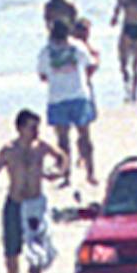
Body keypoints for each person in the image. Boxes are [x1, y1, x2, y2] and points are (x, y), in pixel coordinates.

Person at [0, 107, 66, 273]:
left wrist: (57, 172)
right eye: (32, 127)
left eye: (37, 127)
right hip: (15, 202)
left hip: (35, 204)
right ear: (20, 128)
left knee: (35, 249)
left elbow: (61, 157)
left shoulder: (42, 147)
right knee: (12, 249)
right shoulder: (9, 150)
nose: (36, 131)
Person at [36, 14, 99, 187]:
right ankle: (90, 173)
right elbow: (91, 65)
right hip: (78, 95)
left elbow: (42, 76)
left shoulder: (46, 51)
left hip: (58, 98)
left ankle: (67, 174)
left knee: (64, 140)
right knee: (84, 136)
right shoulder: (77, 47)